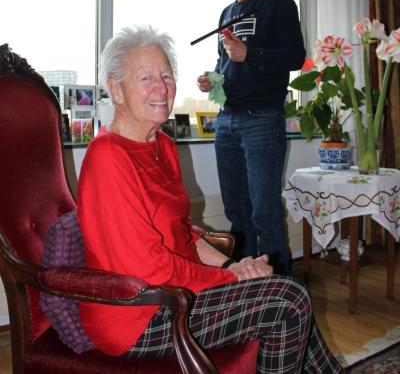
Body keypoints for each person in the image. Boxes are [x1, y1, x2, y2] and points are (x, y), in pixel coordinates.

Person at [77, 25, 343, 373]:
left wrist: (234, 267)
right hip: (137, 313)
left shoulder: (163, 146)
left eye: (167, 76)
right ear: (117, 88)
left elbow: (183, 233)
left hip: (178, 295)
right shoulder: (108, 157)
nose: (162, 87)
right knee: (288, 300)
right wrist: (230, 279)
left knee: (282, 287)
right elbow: (148, 268)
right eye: (146, 78)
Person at [197, 0, 306, 275]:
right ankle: (246, 283)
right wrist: (212, 79)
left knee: (264, 209)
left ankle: (279, 290)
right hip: (226, 119)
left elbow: (295, 57)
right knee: (236, 211)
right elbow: (226, 62)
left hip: (262, 116)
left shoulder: (278, 3)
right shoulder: (226, 14)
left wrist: (252, 54)